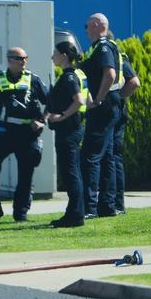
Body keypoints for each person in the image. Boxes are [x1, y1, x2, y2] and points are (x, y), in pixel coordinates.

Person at [0, 47, 48, 223]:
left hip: (27, 132)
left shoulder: (33, 80)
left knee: (26, 173)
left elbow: (50, 102)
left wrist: (42, 121)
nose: (23, 61)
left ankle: (21, 211)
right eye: (19, 58)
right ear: (9, 60)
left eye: (25, 58)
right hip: (4, 131)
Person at [78, 13, 122, 219]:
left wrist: (98, 99)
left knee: (91, 156)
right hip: (110, 108)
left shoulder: (103, 47)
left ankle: (90, 207)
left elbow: (110, 74)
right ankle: (107, 205)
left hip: (102, 109)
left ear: (96, 25)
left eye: (87, 25)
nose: (86, 29)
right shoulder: (105, 46)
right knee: (107, 158)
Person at [47, 42, 88, 228]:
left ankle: (75, 216)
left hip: (69, 131)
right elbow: (90, 100)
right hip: (74, 129)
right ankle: (74, 213)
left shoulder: (69, 77)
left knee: (71, 173)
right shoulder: (76, 74)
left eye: (55, 53)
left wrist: (62, 116)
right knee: (73, 172)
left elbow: (79, 101)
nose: (52, 56)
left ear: (64, 55)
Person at [104, 31, 141, 214]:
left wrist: (117, 98)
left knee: (113, 156)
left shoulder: (117, 56)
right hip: (114, 110)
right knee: (112, 156)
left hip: (115, 111)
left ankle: (117, 203)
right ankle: (114, 202)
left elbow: (134, 82)